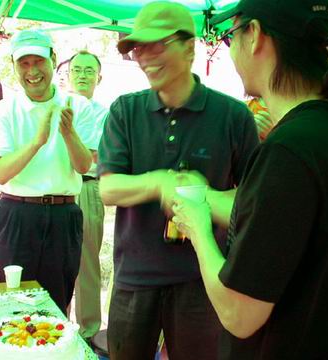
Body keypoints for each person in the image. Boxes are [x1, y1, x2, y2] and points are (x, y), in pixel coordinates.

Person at [171, 0, 328, 359]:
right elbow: (279, 218)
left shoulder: (289, 150)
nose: (231, 49)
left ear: (254, 36)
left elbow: (239, 314)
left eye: (231, 35)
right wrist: (203, 197)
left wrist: (199, 231)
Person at [98, 2, 259, 359]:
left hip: (204, 278)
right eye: (139, 48)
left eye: (158, 44)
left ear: (190, 47)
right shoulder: (125, 111)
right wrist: (160, 183)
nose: (145, 57)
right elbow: (107, 188)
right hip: (134, 277)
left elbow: (252, 203)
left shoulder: (233, 116)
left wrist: (203, 198)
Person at [0, 29, 94, 315]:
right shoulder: (4, 110)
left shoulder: (79, 107)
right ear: (14, 67)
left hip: (63, 215)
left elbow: (84, 166)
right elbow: (1, 173)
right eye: (24, 63)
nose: (32, 71)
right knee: (8, 304)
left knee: (56, 306)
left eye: (39, 61)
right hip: (16, 215)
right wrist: (37, 141)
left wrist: (68, 133)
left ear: (53, 61)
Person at [68, 50, 108, 341]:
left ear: (99, 77)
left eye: (88, 71)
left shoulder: (103, 113)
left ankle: (89, 331)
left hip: (86, 187)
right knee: (54, 261)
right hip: (54, 189)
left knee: (87, 264)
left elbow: (91, 154)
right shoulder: (56, 105)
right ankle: (54, 324)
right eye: (77, 70)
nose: (82, 75)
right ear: (67, 75)